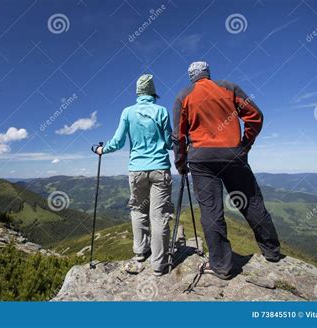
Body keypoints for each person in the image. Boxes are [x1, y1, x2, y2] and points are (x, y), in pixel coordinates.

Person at [172, 61, 281, 280]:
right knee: (251, 202)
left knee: (211, 211)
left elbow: (179, 136)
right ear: (208, 73)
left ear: (192, 76)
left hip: (201, 160)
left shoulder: (183, 96)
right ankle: (271, 252)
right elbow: (255, 116)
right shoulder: (229, 87)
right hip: (233, 154)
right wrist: (245, 144)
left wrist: (181, 163)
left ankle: (221, 266)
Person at [95, 74, 173, 276]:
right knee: (159, 216)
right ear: (153, 93)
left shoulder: (127, 112)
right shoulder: (161, 111)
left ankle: (140, 252)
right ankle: (158, 265)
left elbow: (118, 141)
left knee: (138, 210)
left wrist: (102, 150)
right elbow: (169, 143)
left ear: (138, 93)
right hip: (159, 168)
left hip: (136, 170)